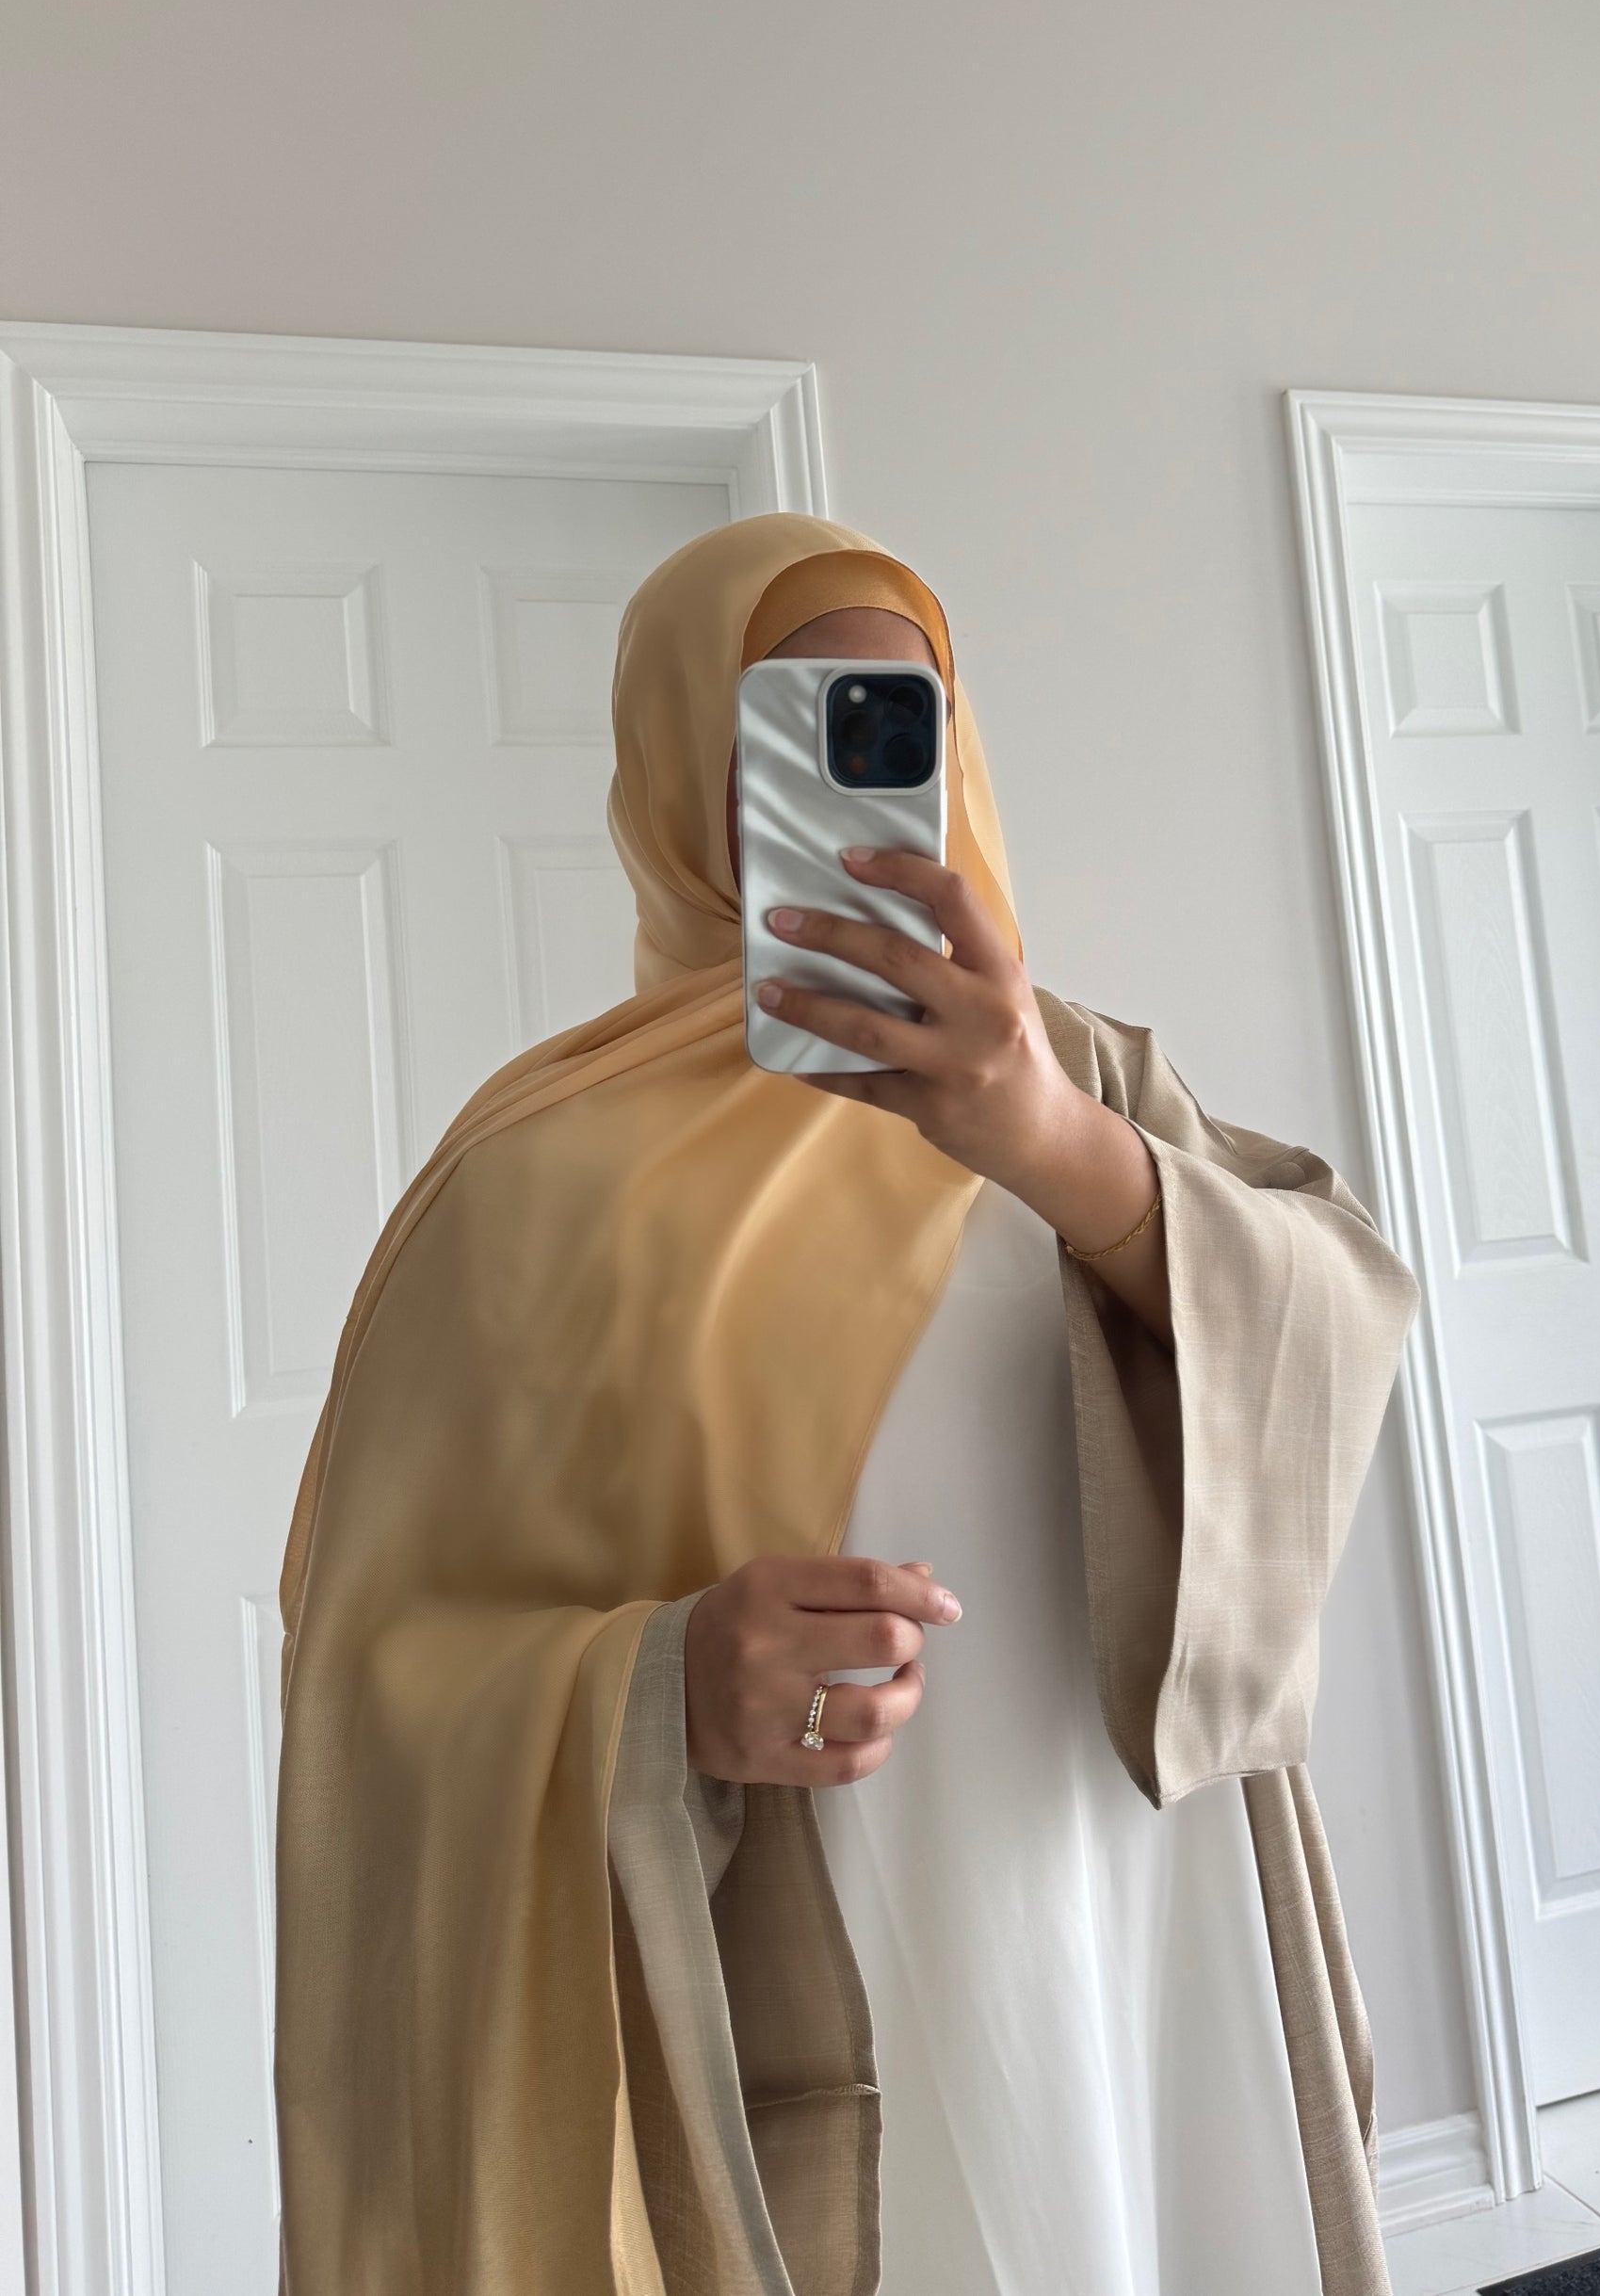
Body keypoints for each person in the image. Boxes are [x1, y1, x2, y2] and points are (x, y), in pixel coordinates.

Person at [274, 513, 1419, 2296]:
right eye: (790, 733)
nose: (863, 782)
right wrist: (659, 1688)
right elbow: (374, 1684)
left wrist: (1054, 1144)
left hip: (1143, 1885)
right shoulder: (530, 1184)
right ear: (677, 780)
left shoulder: (1080, 1072)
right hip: (820, 1946)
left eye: (897, 725)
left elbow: (1340, 1320)